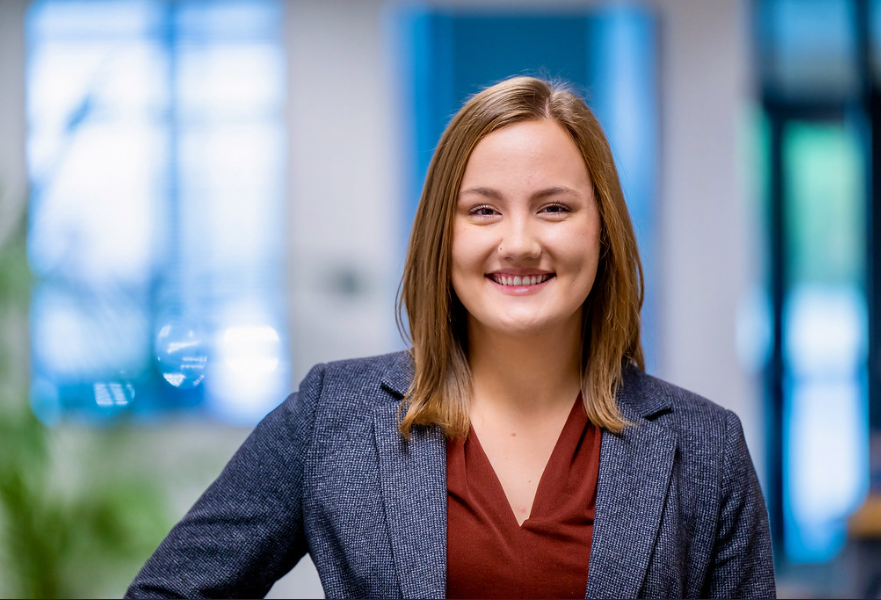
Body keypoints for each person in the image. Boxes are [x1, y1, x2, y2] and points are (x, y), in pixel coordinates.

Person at [126, 76, 776, 599]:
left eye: (554, 207)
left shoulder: (706, 447)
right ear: (445, 234)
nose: (519, 242)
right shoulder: (334, 416)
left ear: (601, 233)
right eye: (483, 210)